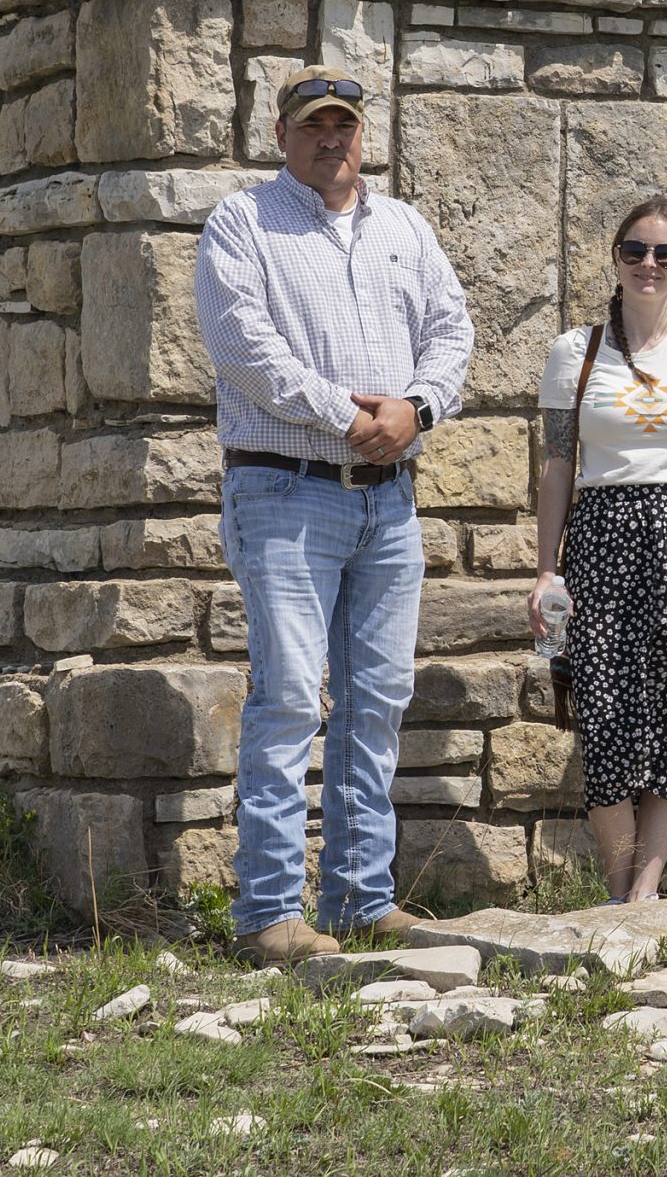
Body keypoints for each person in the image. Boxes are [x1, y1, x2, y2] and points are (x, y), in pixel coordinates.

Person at [194, 66, 474, 964]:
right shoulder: (243, 222)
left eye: (344, 125)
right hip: (285, 491)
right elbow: (244, 346)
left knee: (378, 701)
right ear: (282, 134)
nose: (331, 140)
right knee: (287, 700)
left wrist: (416, 408)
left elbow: (452, 330)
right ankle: (271, 914)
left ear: (364, 133)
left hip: (388, 504)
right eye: (313, 125)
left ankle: (360, 897)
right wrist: (348, 415)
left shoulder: (404, 226)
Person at [530, 197, 667, 903]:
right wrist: (546, 569)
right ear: (615, 257)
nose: (648, 263)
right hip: (601, 537)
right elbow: (558, 467)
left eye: (664, 253)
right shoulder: (574, 350)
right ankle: (619, 890)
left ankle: (644, 892)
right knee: (604, 710)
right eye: (634, 249)